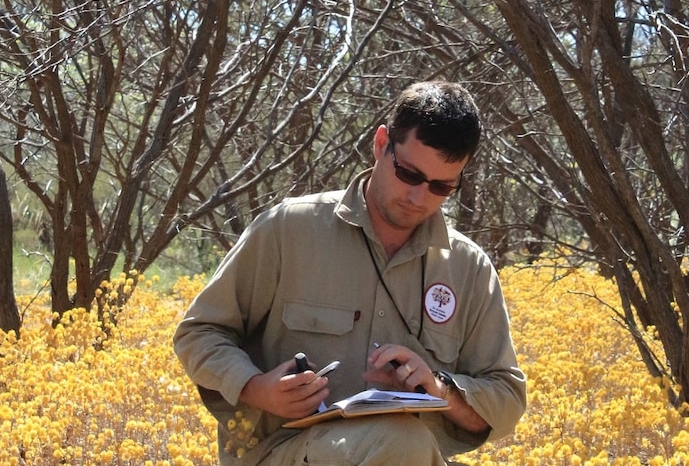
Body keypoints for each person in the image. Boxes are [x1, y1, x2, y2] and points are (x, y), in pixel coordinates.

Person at [173, 80, 526, 465]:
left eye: (441, 186)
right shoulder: (289, 229)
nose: (418, 197)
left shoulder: (468, 268)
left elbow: (506, 398)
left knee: (403, 441)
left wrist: (439, 390)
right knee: (402, 441)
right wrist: (257, 388)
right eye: (409, 174)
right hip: (281, 452)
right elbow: (200, 333)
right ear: (380, 145)